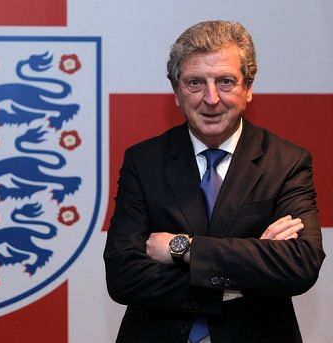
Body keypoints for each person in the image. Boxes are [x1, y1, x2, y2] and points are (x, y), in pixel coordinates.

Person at [103, 20, 325, 343]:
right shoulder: (143, 161)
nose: (211, 98)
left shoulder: (287, 162)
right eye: (195, 82)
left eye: (225, 82)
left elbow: (300, 264)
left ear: (248, 89)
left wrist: (183, 249)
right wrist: (239, 278)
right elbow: (123, 275)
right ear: (176, 92)